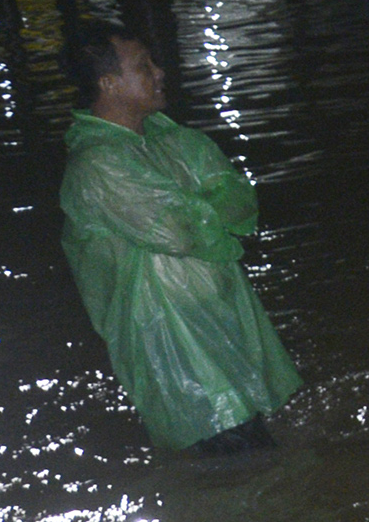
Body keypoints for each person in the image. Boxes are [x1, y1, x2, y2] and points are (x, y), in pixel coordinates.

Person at [57, 23, 301, 454]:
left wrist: (200, 209)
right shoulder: (97, 166)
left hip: (222, 318)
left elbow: (240, 203)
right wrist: (204, 207)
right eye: (143, 66)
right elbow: (178, 228)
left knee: (260, 455)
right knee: (234, 465)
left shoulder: (176, 139)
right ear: (109, 84)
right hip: (168, 341)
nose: (159, 72)